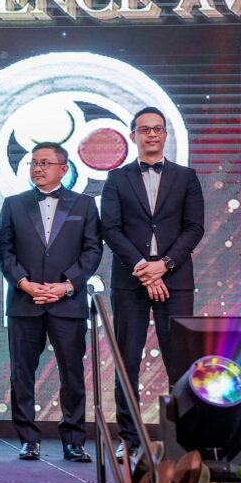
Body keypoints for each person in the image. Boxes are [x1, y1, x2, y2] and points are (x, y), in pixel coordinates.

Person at [101, 107, 205, 459]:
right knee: (126, 360)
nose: (151, 135)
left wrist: (165, 265)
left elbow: (194, 227)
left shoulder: (186, 177)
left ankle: (181, 441)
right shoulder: (117, 179)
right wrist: (143, 268)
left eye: (157, 129)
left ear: (165, 134)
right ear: (133, 136)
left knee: (180, 362)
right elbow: (111, 229)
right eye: (144, 129)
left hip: (175, 279)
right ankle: (129, 439)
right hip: (130, 280)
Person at [0, 142, 102, 463]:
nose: (37, 168)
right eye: (33, 163)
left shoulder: (85, 205)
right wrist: (24, 283)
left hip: (67, 302)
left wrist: (66, 285)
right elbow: (3, 250)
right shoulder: (14, 204)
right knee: (22, 374)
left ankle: (74, 440)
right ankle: (28, 439)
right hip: (24, 302)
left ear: (63, 169)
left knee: (72, 374)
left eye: (45, 163)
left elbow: (93, 250)